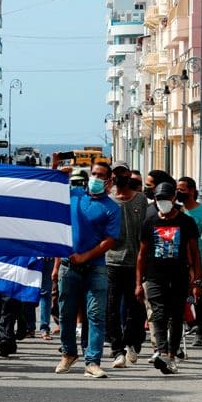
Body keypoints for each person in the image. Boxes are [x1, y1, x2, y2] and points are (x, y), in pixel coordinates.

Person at [52, 155, 121, 379]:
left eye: (101, 176)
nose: (96, 179)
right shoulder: (75, 195)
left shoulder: (111, 208)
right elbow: (48, 191)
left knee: (95, 315)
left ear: (109, 181)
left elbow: (110, 240)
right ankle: (68, 353)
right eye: (94, 174)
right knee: (66, 313)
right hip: (67, 266)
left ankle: (93, 361)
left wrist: (85, 257)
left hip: (95, 268)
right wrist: (54, 169)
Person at [135, 183, 202, 375]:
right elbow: (141, 254)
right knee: (158, 314)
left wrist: (197, 281)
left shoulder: (186, 222)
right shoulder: (149, 223)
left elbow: (195, 253)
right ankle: (162, 352)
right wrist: (138, 283)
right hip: (155, 277)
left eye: (166, 198)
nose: (162, 202)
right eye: (159, 199)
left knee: (176, 316)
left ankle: (172, 355)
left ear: (174, 199)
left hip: (179, 277)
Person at [105, 161, 147, 368]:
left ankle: (132, 342)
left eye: (122, 172)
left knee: (136, 308)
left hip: (136, 261)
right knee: (112, 307)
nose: (119, 176)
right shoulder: (108, 200)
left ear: (128, 174)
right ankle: (116, 350)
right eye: (116, 173)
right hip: (112, 261)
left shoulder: (140, 199)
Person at [177, 177, 202, 347]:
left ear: (191, 190)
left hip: (198, 260)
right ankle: (186, 325)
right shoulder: (178, 211)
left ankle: (201, 332)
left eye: (182, 189)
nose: (179, 192)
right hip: (180, 259)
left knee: (198, 296)